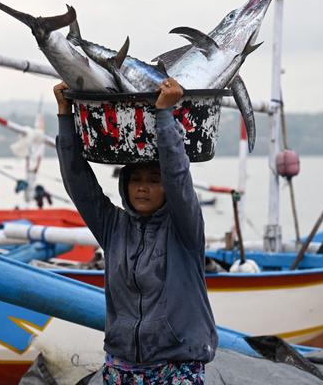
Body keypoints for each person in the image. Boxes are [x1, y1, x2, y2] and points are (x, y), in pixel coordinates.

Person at [54, 78, 217, 384]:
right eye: (135, 179)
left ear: (166, 188)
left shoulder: (184, 229)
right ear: (125, 185)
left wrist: (165, 116)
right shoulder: (113, 226)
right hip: (122, 366)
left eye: (154, 180)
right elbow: (78, 182)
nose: (143, 187)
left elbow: (179, 177)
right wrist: (65, 116)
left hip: (177, 365)